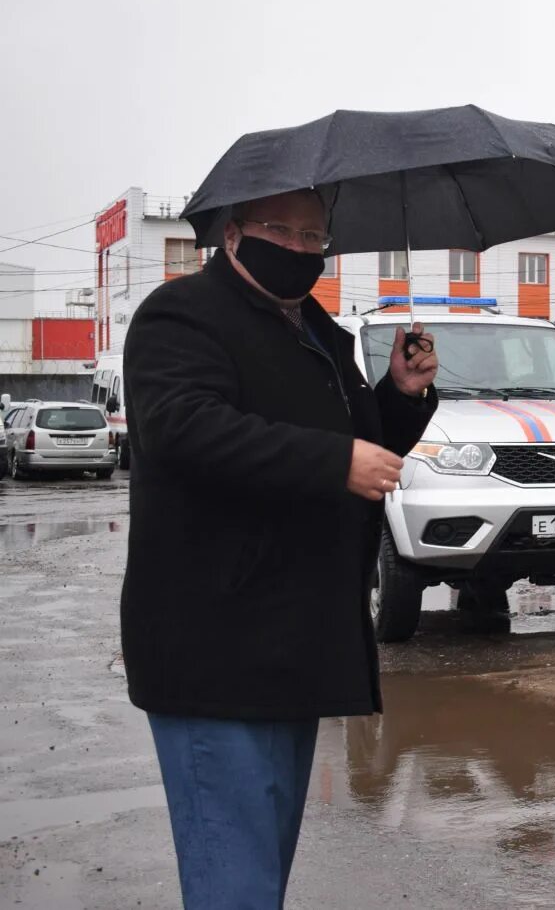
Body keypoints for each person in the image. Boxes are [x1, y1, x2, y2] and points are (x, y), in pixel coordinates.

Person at [121, 189, 439, 909]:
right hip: (216, 646)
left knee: (260, 872)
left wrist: (401, 394)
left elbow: (361, 447)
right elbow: (185, 430)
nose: (300, 248)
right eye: (281, 231)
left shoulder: (318, 329)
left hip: (293, 641)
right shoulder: (181, 316)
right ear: (231, 235)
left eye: (314, 236)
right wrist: (333, 461)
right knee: (234, 883)